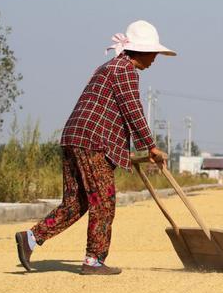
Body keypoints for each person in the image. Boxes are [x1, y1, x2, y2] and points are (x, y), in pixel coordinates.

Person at [15, 20, 175, 275]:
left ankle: (30, 238)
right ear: (141, 51)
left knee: (76, 202)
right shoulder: (125, 69)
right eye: (154, 53)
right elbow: (132, 109)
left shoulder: (110, 66)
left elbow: (109, 113)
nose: (155, 59)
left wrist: (130, 152)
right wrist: (151, 146)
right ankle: (93, 261)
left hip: (74, 137)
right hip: (93, 143)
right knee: (103, 202)